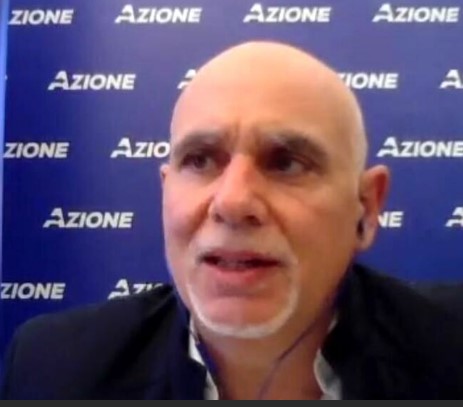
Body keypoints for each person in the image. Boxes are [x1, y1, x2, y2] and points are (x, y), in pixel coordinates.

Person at [1, 41, 463, 400]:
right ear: (165, 190)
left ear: (365, 206)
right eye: (200, 160)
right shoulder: (52, 369)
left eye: (286, 163)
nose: (233, 201)